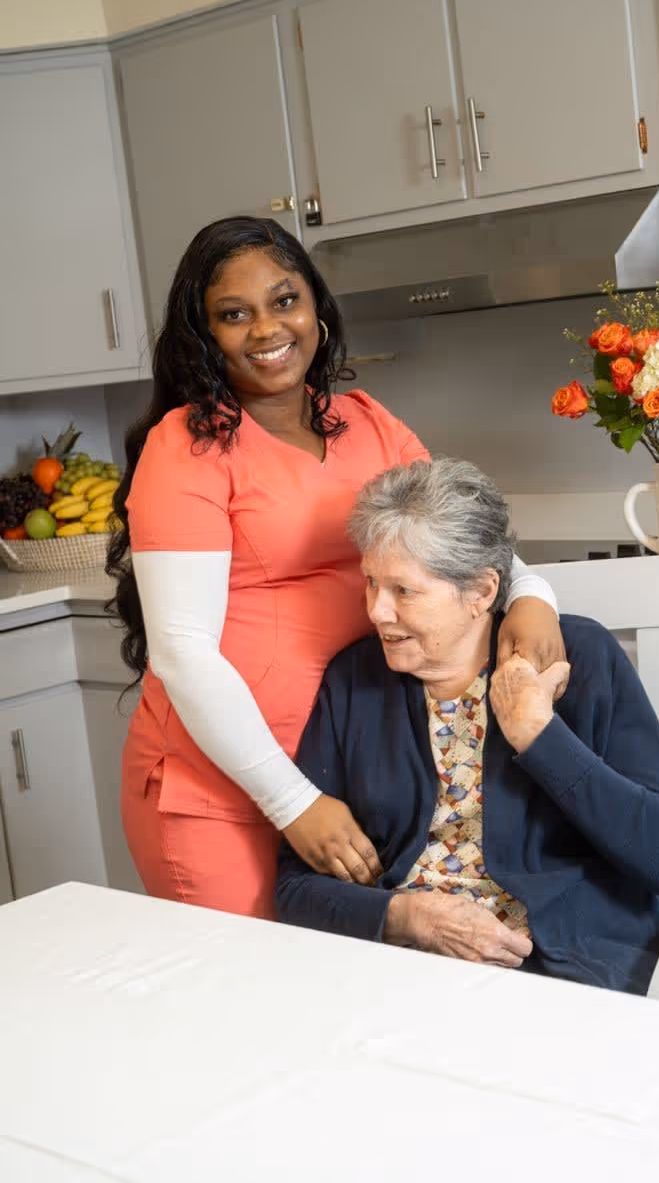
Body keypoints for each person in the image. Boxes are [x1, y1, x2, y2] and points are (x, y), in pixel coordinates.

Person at [108, 216, 564, 920]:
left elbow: (465, 538)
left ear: (316, 308)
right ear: (205, 336)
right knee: (254, 1004)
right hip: (225, 794)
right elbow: (181, 653)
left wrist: (532, 595)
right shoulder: (188, 448)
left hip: (360, 775)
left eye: (284, 301)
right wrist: (294, 803)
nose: (266, 329)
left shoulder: (368, 424)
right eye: (234, 315)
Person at [276, 458, 659, 1008]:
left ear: (482, 591)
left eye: (404, 591)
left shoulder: (580, 657)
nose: (376, 611)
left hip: (571, 985)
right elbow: (294, 887)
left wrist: (539, 736)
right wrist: (404, 916)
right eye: (371, 582)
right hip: (403, 984)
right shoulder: (353, 681)